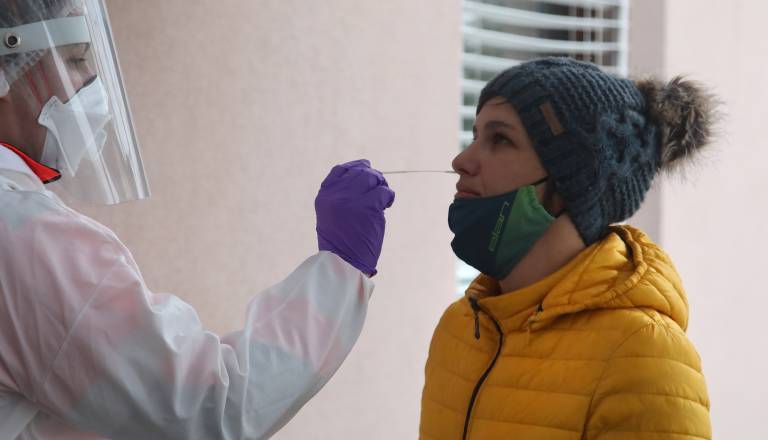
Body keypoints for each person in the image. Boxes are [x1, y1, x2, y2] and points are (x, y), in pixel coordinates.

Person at [0, 1, 395, 439]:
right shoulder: (23, 240)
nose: (94, 85)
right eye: (75, 60)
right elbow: (208, 408)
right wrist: (338, 272)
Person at [420, 57, 715, 439]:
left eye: (501, 139)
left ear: (570, 182)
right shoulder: (460, 329)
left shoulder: (643, 354)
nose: (462, 161)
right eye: (475, 136)